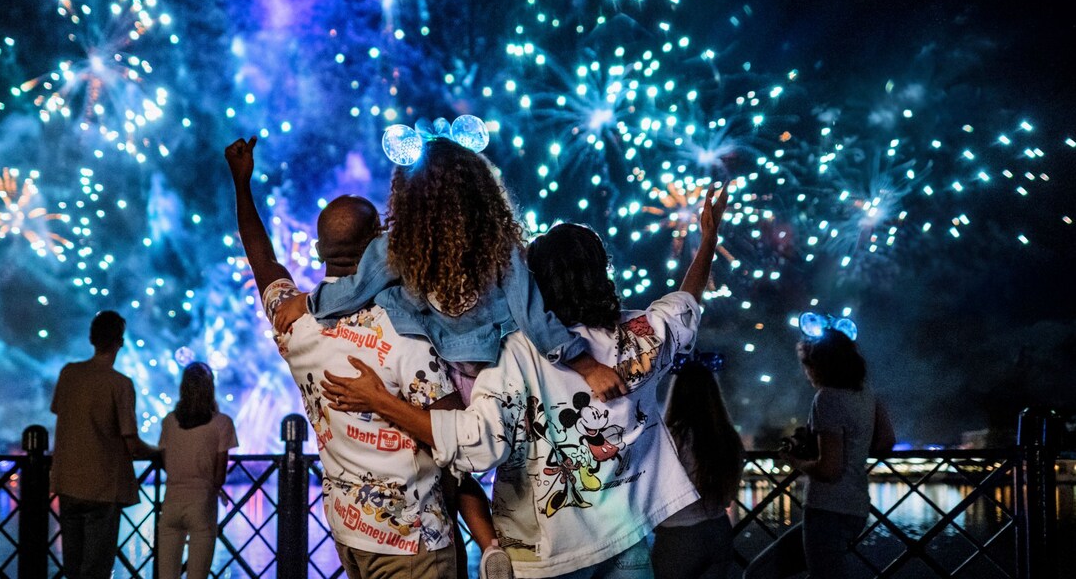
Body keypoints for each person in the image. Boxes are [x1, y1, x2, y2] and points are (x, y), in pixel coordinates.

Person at [320, 187, 730, 579]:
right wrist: (708, 240)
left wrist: (379, 399)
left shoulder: (515, 352)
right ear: (602, 271)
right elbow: (686, 304)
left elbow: (475, 445)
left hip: (543, 553)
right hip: (626, 541)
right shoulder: (640, 336)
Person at [225, 137, 506, 579]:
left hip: (349, 534)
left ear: (319, 252)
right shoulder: (407, 330)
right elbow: (460, 438)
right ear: (380, 243)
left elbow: (263, 262)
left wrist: (242, 184)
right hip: (415, 545)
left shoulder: (295, 325)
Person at [271, 135, 626, 403]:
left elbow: (352, 291)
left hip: (439, 371)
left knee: (386, 294)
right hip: (499, 370)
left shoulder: (397, 246)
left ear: (408, 197)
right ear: (480, 190)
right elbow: (532, 315)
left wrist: (304, 303)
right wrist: (589, 368)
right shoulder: (500, 246)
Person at [743, 330, 896, 579]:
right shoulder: (868, 394)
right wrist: (853, 445)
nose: (807, 372)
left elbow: (829, 469)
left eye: (808, 365)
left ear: (822, 365)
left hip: (827, 510)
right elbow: (886, 441)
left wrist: (795, 461)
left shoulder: (827, 399)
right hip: (857, 509)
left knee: (758, 573)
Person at [51, 310, 159, 579]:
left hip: (67, 483)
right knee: (96, 570)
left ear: (91, 338)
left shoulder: (69, 374)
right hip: (102, 487)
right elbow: (132, 443)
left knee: (72, 568)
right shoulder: (120, 384)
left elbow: (61, 414)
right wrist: (161, 453)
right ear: (119, 342)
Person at [651, 359, 744, 579]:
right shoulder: (728, 437)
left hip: (679, 535)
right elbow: (729, 496)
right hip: (720, 530)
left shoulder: (672, 437)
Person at [157, 362, 239, 579]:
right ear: (210, 388)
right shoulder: (222, 423)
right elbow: (219, 476)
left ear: (182, 387)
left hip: (171, 504)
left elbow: (167, 462)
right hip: (202, 506)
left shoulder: (169, 422)